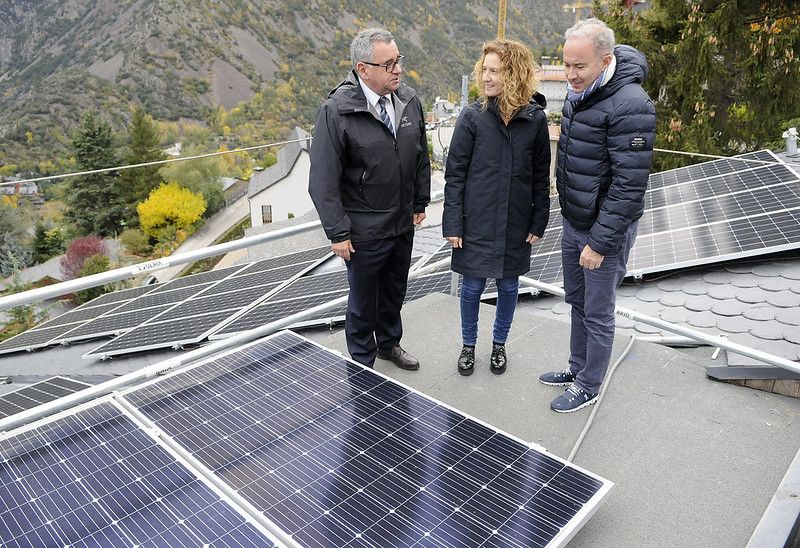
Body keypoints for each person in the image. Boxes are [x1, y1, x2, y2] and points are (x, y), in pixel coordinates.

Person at [539, 18, 656, 412]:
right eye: (566, 65)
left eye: (578, 67)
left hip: (603, 232)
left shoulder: (631, 104)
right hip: (574, 221)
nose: (569, 75)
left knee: (599, 311)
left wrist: (600, 242)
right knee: (577, 301)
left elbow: (629, 185)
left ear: (604, 60)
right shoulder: (580, 93)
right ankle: (577, 368)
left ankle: (589, 385)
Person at [308, 28, 431, 370]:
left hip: (401, 223)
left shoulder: (408, 100)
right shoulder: (337, 111)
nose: (398, 70)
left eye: (399, 60)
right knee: (363, 302)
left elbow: (421, 156)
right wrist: (338, 232)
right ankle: (363, 363)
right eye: (388, 63)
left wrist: (419, 202)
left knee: (393, 293)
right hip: (363, 229)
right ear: (363, 69)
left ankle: (389, 344)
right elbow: (322, 180)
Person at [443, 39, 550, 376]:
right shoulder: (472, 118)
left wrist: (538, 220)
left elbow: (539, 178)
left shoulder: (534, 121)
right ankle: (468, 346)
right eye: (484, 70)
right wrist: (453, 224)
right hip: (475, 221)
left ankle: (499, 345)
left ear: (514, 75)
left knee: (507, 286)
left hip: (515, 222)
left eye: (495, 71)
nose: (486, 77)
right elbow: (455, 174)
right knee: (472, 287)